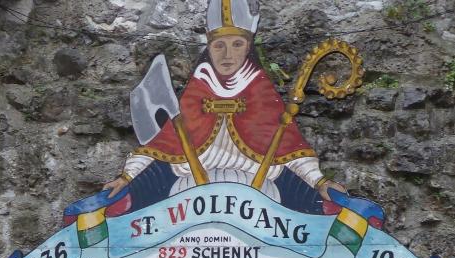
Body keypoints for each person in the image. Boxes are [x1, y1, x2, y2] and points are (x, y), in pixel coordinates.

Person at [103, 0, 346, 213]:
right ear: (209, 48)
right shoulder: (197, 92)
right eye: (219, 45)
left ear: (248, 48)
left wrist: (320, 182)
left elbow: (291, 149)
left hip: (260, 200)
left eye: (237, 44)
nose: (227, 55)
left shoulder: (261, 93)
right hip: (187, 198)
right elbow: (162, 144)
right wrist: (127, 177)